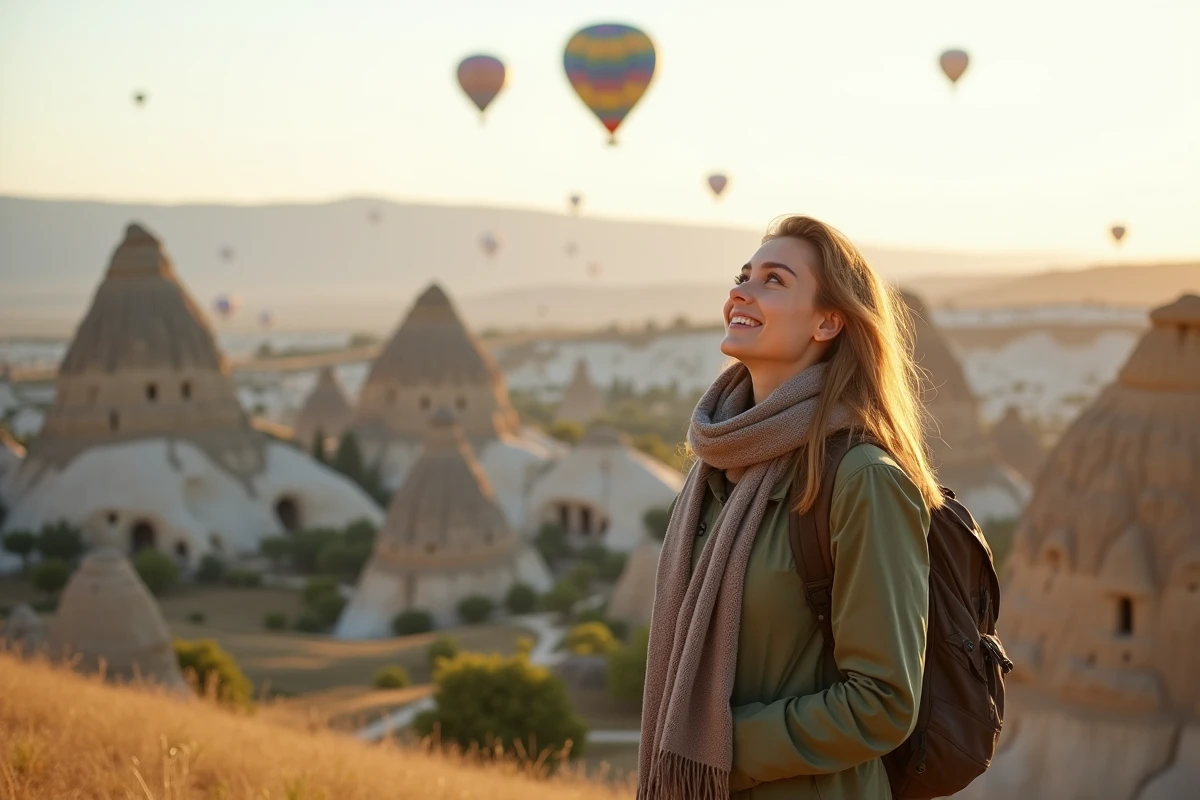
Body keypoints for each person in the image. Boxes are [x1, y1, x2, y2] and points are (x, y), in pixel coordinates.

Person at [637, 215, 942, 799]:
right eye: (742, 275)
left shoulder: (862, 481)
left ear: (829, 321)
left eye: (772, 280)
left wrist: (714, 749)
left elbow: (883, 703)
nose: (740, 292)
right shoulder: (716, 470)